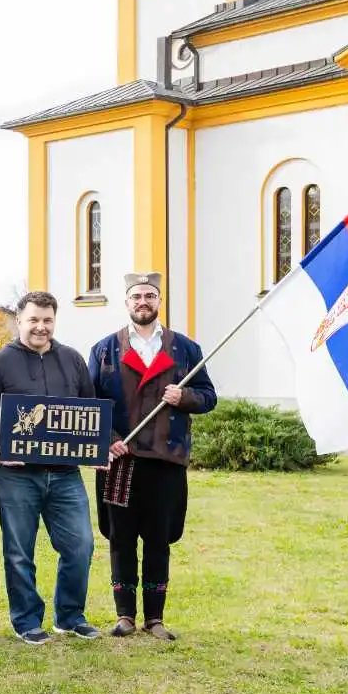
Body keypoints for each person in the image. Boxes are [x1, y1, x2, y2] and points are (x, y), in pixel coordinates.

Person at [88, 273, 216, 641]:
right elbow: (91, 404)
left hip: (165, 460)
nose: (143, 301)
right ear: (126, 302)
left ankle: (155, 618)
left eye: (150, 295)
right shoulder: (104, 349)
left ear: (159, 301)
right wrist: (109, 439)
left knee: (159, 539)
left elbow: (208, 396)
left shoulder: (186, 349)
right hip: (122, 459)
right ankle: (125, 615)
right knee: (121, 538)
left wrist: (185, 397)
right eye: (136, 296)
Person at [0, 291, 101, 644]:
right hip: (17, 475)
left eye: (47, 320)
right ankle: (27, 621)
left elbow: (89, 412)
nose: (40, 327)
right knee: (19, 552)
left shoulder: (72, 361)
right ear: (20, 321)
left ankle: (70, 615)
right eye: (33, 320)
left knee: (81, 546)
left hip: (65, 475)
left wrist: (97, 447)